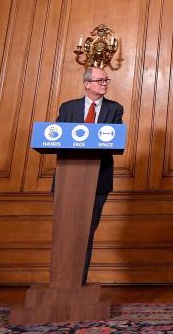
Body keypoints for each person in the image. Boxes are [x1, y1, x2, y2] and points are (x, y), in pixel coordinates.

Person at [54, 65, 123, 284]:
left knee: (86, 232)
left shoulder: (115, 109)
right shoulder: (68, 108)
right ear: (87, 84)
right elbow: (56, 137)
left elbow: (115, 139)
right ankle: (59, 283)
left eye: (106, 80)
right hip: (68, 179)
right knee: (64, 231)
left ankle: (79, 283)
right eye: (100, 80)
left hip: (98, 180)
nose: (104, 84)